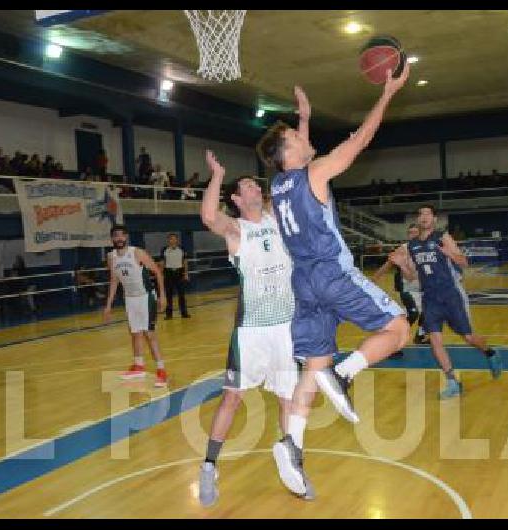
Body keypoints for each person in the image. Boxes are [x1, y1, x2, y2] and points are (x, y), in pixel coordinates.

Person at [257, 69, 411, 497]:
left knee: (312, 369)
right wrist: (387, 93)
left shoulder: (280, 185)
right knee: (398, 327)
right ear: (290, 149)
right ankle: (345, 375)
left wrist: (302, 119)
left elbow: (296, 159)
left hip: (302, 284)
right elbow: (361, 139)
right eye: (299, 136)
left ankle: (292, 446)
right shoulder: (316, 174)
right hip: (331, 274)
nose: (309, 141)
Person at [196, 150, 304, 506]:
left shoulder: (277, 218)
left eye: (256, 184)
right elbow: (209, 215)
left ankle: (292, 464)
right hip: (252, 329)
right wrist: (217, 174)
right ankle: (209, 466)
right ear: (238, 200)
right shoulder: (237, 229)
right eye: (246, 186)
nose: (255, 187)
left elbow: (299, 179)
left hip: (286, 326)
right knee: (232, 397)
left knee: (288, 398)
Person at [390, 205, 503, 398]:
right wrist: (402, 266)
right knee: (435, 341)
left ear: (434, 219)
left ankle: (490, 353)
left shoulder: (442, 237)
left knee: (468, 337)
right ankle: (452, 382)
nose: (423, 217)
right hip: (430, 298)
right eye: (420, 213)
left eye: (427, 214)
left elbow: (464, 262)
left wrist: (448, 253)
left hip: (450, 295)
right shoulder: (412, 246)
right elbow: (411, 277)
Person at [103, 225, 169, 387]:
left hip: (145, 297)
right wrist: (108, 305)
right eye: (115, 236)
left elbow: (158, 272)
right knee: (135, 333)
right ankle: (138, 365)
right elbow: (114, 280)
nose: (119, 238)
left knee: (149, 334)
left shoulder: (137, 253)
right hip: (130, 299)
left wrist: (162, 295)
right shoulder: (111, 257)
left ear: (126, 237)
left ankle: (162, 371)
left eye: (121, 235)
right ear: (112, 239)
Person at [374, 223, 429, 347]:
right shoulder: (403, 248)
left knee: (429, 311)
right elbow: (387, 265)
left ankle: (420, 335)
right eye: (410, 233)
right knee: (413, 314)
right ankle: (392, 340)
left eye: (415, 232)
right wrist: (373, 280)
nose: (412, 235)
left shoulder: (426, 248)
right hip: (407, 287)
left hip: (423, 287)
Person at [160, 234, 190, 319]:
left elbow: (185, 262)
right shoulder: (164, 250)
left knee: (181, 295)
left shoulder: (182, 249)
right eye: (171, 239)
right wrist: (161, 274)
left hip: (179, 273)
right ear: (168, 240)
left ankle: (184, 313)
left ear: (177, 240)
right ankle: (169, 315)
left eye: (174, 239)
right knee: (168, 295)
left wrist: (186, 273)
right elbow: (162, 262)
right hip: (168, 273)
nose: (172, 240)